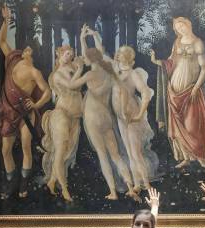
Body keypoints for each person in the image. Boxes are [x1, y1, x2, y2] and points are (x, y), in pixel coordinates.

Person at [61, 26, 139, 202]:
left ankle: (113, 192)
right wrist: (87, 37)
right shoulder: (108, 70)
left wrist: (80, 69)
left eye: (84, 57)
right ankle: (129, 185)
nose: (82, 58)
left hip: (93, 118)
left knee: (103, 155)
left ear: (89, 59)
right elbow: (98, 52)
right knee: (116, 155)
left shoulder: (90, 75)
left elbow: (71, 86)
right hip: (106, 117)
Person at [85, 27, 159, 199]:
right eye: (118, 55)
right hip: (120, 116)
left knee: (135, 152)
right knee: (128, 151)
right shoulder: (115, 69)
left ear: (128, 58)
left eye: (120, 55)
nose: (118, 56)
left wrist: (140, 115)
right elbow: (101, 55)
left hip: (131, 116)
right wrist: (95, 35)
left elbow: (146, 94)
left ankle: (147, 187)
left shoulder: (133, 74)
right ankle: (136, 185)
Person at [0, 5, 51, 199]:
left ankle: (23, 184)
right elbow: (2, 41)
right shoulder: (12, 59)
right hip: (8, 112)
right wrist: (6, 20)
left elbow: (47, 92)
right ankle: (11, 183)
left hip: (24, 115)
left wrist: (36, 105)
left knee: (27, 148)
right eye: (26, 48)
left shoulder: (35, 72)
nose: (25, 49)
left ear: (33, 54)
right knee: (5, 150)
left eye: (29, 49)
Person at [150, 17, 205, 168]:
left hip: (190, 88)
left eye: (182, 26)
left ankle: (199, 156)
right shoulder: (177, 42)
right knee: (177, 125)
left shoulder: (198, 43)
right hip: (174, 89)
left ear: (189, 25)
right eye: (178, 28)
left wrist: (196, 87)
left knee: (192, 125)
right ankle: (185, 157)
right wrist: (156, 61)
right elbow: (171, 62)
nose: (180, 29)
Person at [41, 45, 84, 202]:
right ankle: (64, 189)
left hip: (75, 116)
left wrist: (81, 39)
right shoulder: (57, 75)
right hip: (61, 115)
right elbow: (73, 85)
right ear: (59, 54)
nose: (70, 57)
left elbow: (84, 59)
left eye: (71, 54)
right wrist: (80, 69)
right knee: (59, 152)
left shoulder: (73, 66)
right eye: (67, 54)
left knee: (65, 152)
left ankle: (52, 182)